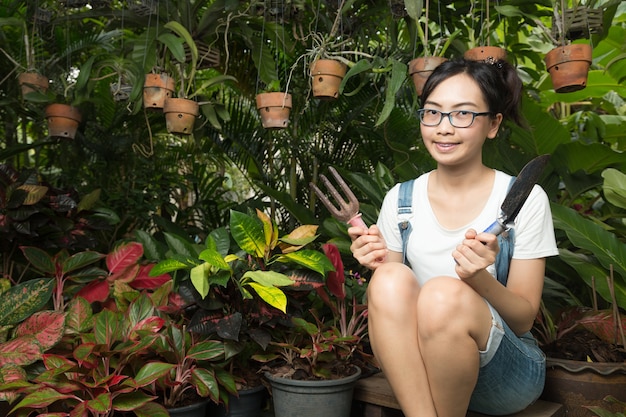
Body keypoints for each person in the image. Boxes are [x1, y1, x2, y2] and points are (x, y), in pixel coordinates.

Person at [348, 57, 559, 417]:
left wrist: (477, 278)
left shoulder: (523, 200)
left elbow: (523, 319)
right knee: (389, 278)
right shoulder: (400, 201)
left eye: (463, 114)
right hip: (415, 367)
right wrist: (376, 263)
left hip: (503, 372)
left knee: (443, 295)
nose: (443, 128)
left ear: (493, 124)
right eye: (432, 113)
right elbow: (390, 312)